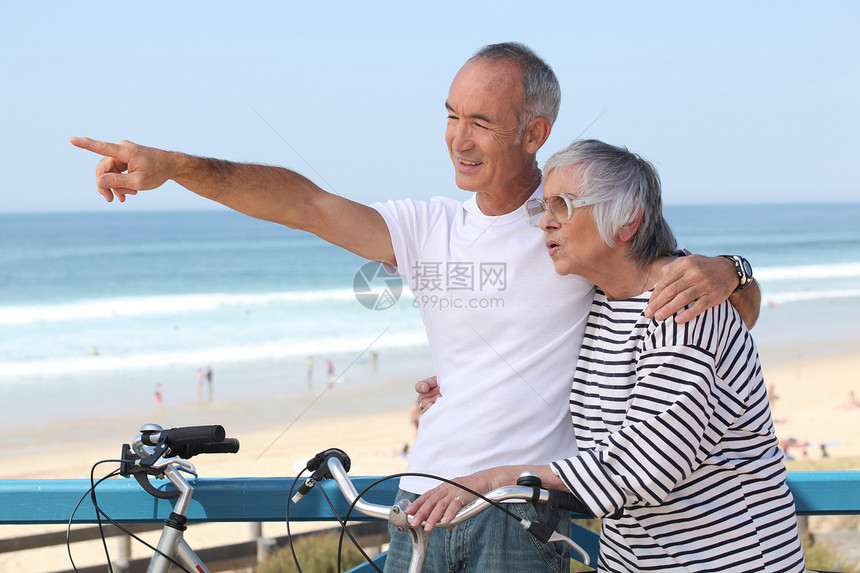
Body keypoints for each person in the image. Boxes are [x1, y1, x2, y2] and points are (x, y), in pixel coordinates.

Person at [71, 43, 760, 572]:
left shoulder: (574, 228)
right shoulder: (432, 226)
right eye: (452, 117)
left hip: (513, 519)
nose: (459, 139)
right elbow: (305, 202)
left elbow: (703, 300)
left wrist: (731, 270)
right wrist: (175, 167)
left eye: (482, 122)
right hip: (416, 507)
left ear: (533, 131)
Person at [409, 139, 804, 572]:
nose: (545, 223)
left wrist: (492, 480)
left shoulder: (682, 307)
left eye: (562, 205)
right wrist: (470, 384)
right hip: (633, 560)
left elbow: (644, 465)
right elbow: (548, 365)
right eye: (544, 207)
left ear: (628, 221)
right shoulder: (602, 302)